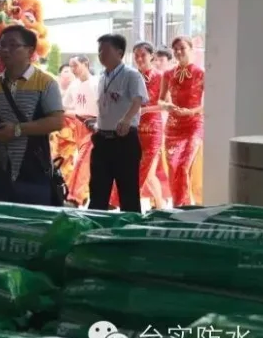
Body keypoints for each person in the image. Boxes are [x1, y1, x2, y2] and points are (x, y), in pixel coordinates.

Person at [0, 26, 65, 204]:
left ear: (30, 51)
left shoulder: (46, 83)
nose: (5, 50)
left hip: (34, 171)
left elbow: (57, 121)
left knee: (32, 219)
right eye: (1, 45)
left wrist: (17, 130)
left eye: (12, 45)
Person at [87, 34, 148, 212]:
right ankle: (96, 224)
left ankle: (132, 227)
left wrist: (127, 119)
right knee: (98, 191)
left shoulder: (131, 75)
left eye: (105, 50)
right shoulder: (102, 78)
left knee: (128, 193)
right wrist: (96, 122)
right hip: (102, 139)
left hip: (124, 140)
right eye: (99, 51)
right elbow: (107, 106)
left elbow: (138, 100)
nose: (101, 55)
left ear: (119, 53)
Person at [159, 35, 205, 207]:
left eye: (182, 48)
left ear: (191, 49)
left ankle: (185, 207)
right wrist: (167, 106)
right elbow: (160, 100)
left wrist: (191, 111)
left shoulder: (200, 73)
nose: (178, 52)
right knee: (173, 167)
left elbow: (210, 103)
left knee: (184, 166)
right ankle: (180, 206)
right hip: (173, 127)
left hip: (193, 125)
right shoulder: (168, 74)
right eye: (176, 49)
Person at [132, 41, 168, 209]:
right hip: (134, 129)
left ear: (152, 56)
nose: (139, 59)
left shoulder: (160, 77)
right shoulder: (131, 77)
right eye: (136, 56)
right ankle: (160, 206)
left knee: (147, 171)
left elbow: (167, 104)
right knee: (143, 172)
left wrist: (145, 109)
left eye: (143, 55)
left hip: (153, 129)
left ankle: (155, 205)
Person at [63, 55, 99, 206]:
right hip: (79, 125)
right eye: (71, 66)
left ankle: (74, 197)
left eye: (76, 65)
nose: (73, 69)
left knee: (82, 161)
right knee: (87, 163)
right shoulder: (74, 85)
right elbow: (65, 105)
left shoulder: (97, 83)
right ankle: (83, 195)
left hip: (93, 126)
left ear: (86, 64)